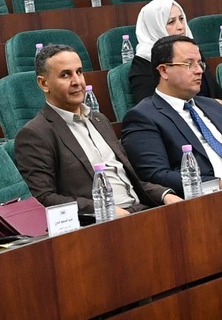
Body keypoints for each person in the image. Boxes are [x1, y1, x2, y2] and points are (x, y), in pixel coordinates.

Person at [16, 44, 176, 221]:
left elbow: (130, 178)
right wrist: (104, 209)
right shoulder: (35, 134)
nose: (77, 81)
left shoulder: (99, 120)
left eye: (79, 72)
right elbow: (44, 198)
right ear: (44, 83)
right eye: (65, 75)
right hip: (100, 223)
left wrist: (164, 194)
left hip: (140, 210)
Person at [120, 36, 222, 197]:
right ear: (163, 70)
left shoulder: (213, 106)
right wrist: (219, 185)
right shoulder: (143, 116)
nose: (199, 70)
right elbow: (156, 175)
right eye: (189, 64)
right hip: (208, 199)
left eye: (200, 63)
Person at [125, 0, 222, 108]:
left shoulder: (193, 53)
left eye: (181, 19)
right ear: (154, 27)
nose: (180, 27)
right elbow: (151, 109)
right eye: (171, 22)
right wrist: (207, 106)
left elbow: (219, 94)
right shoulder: (143, 63)